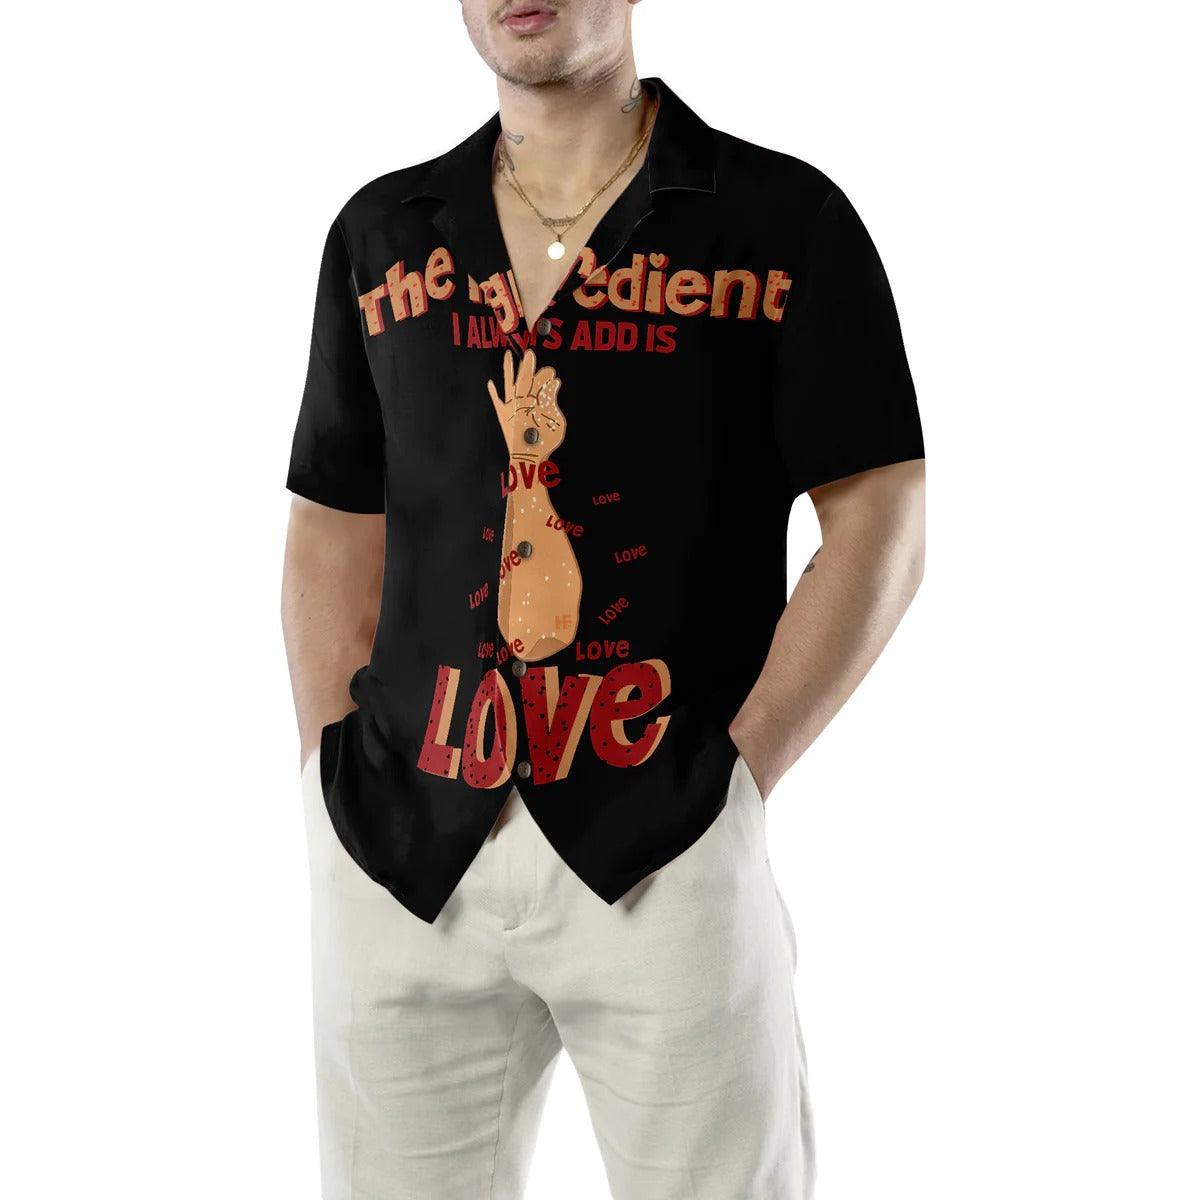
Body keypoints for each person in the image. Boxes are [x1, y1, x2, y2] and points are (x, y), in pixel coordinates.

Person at [281, 2, 925, 1196]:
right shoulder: (381, 233)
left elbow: (881, 510)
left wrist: (741, 776)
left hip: (663, 845)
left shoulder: (781, 221)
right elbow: (333, 521)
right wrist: (330, 768)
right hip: (402, 853)